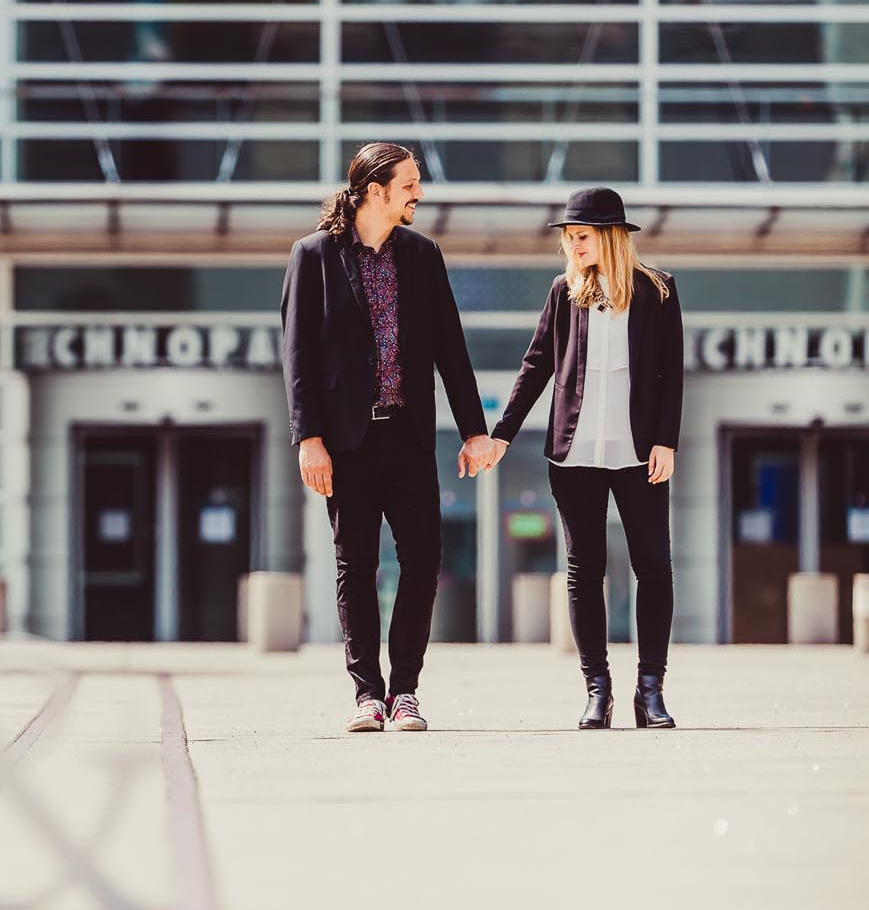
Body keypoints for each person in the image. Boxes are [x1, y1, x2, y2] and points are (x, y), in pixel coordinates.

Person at [280, 142, 501, 734]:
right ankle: (366, 696)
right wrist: (309, 438)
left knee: (423, 560)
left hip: (407, 438)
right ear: (376, 191)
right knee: (355, 566)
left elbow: (450, 348)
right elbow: (297, 355)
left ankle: (405, 692)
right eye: (410, 184)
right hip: (346, 445)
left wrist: (474, 431)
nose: (419, 194)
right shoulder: (314, 256)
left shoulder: (423, 256)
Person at [491, 187, 684, 730]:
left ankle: (651, 691)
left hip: (640, 452)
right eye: (569, 238)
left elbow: (672, 374)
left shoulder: (658, 291)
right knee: (583, 571)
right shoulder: (563, 292)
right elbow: (536, 367)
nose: (572, 246)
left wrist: (666, 440)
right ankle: (597, 691)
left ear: (610, 237)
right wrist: (502, 434)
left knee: (653, 567)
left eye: (581, 236)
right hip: (575, 454)